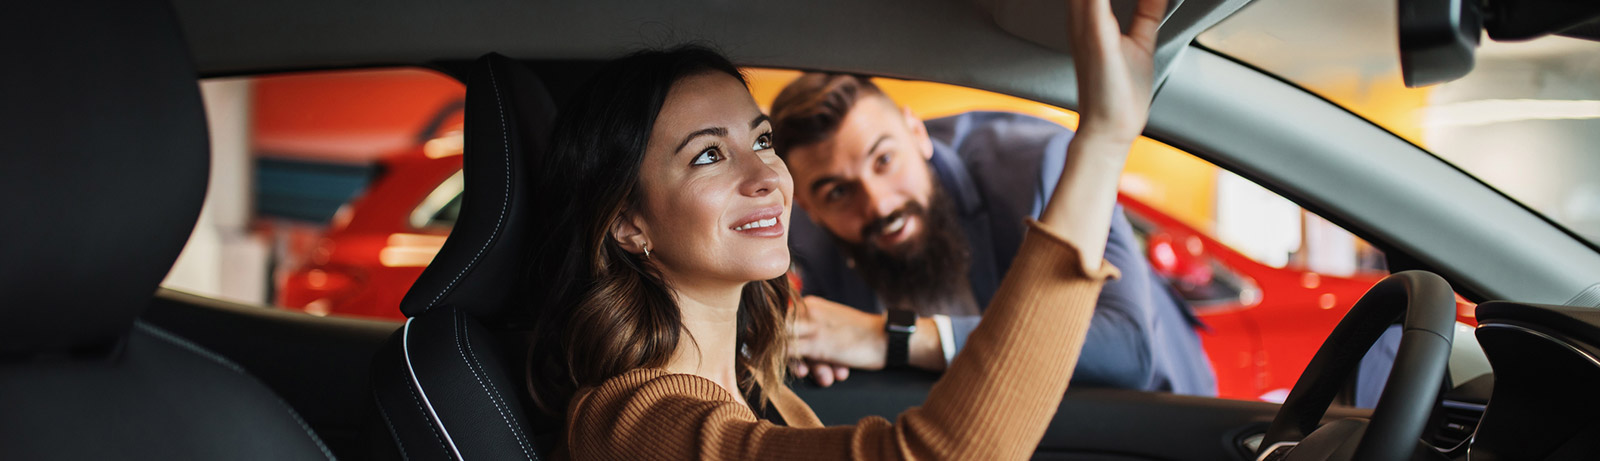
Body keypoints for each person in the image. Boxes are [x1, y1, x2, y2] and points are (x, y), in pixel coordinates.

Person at [523, 0, 1168, 457]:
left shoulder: (754, 384)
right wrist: (1105, 141)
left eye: (763, 140)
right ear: (629, 225)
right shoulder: (631, 423)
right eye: (709, 155)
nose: (769, 178)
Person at [769, 73, 1216, 397]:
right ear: (808, 205)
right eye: (838, 192)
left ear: (917, 133)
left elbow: (1127, 350)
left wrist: (889, 337)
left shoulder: (1042, 168)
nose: (880, 205)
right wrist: (811, 353)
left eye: (884, 160)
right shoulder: (805, 236)